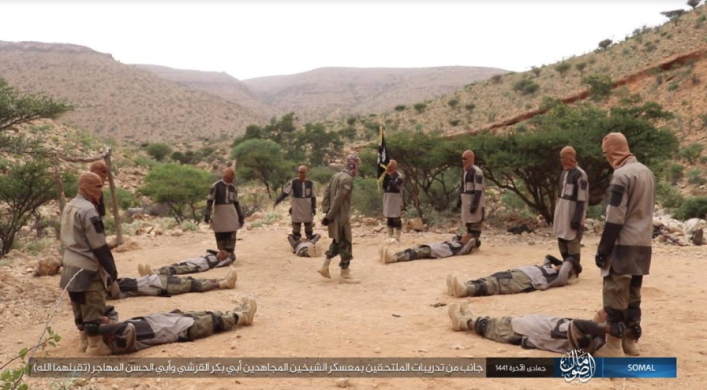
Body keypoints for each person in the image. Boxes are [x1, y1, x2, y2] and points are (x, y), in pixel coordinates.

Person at [594, 133, 655, 357]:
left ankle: (613, 345)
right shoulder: (646, 172)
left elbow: (615, 218)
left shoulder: (621, 175)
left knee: (615, 292)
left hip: (623, 245)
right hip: (643, 245)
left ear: (612, 151)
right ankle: (631, 341)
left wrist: (603, 248)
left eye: (605, 153)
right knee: (633, 295)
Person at [59, 172, 118, 356]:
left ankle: (84, 342)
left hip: (69, 266)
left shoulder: (69, 206)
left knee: (78, 305)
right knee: (93, 306)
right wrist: (111, 269)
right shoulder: (88, 210)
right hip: (87, 268)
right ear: (85, 186)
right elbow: (99, 244)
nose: (101, 191)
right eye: (98, 187)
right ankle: (95, 346)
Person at [97, 297, 257, 354]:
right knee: (212, 322)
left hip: (174, 319)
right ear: (107, 333)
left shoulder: (115, 330)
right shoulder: (119, 343)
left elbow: (111, 312)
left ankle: (236, 312)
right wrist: (100, 328)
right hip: (181, 330)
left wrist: (96, 316)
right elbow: (127, 329)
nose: (109, 320)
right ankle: (242, 317)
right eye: (106, 323)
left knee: (206, 313)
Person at [447, 304, 625, 355]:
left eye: (601, 315)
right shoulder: (594, 335)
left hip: (528, 333)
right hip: (534, 324)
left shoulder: (587, 339)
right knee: (499, 322)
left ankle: (464, 323)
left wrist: (608, 328)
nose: (597, 314)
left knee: (492, 327)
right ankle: (471, 317)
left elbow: (580, 324)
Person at [446, 255, 580, 298]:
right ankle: (463, 286)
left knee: (496, 285)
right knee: (492, 278)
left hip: (524, 281)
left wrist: (570, 262)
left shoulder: (557, 278)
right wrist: (559, 263)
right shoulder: (547, 268)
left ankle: (465, 291)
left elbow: (565, 272)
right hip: (518, 273)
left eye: (565, 266)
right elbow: (548, 257)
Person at [318, 153, 360, 284]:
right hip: (340, 216)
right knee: (346, 242)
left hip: (333, 215)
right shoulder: (347, 179)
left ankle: (325, 266)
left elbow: (326, 194)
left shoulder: (335, 176)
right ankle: (344, 273)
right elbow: (338, 199)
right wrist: (329, 215)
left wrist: (326, 212)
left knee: (338, 242)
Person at [553, 146, 589, 267]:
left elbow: (582, 199)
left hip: (572, 212)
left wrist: (577, 219)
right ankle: (566, 265)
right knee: (561, 238)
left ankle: (574, 267)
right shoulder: (564, 173)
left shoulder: (580, 174)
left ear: (570, 158)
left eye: (564, 157)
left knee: (572, 239)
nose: (562, 160)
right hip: (562, 212)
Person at [108, 267, 237, 299]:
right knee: (191, 285)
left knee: (189, 280)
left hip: (155, 282)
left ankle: (220, 280)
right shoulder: (112, 289)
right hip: (158, 286)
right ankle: (223, 284)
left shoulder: (111, 284)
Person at [204, 168, 244, 258]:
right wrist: (207, 213)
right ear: (225, 176)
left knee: (232, 233)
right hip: (219, 214)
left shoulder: (233, 188)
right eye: (230, 177)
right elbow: (210, 200)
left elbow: (236, 203)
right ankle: (222, 253)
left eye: (233, 177)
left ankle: (230, 252)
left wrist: (240, 216)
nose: (232, 179)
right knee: (220, 233)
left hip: (231, 214)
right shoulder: (216, 186)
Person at [275, 165, 317, 241]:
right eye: (299, 172)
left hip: (307, 206)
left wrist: (314, 207)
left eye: (302, 172)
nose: (300, 174)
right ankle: (296, 236)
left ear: (306, 173)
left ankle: (309, 236)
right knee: (296, 223)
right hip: (297, 206)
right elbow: (286, 192)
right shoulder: (293, 182)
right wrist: (278, 200)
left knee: (308, 223)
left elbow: (313, 196)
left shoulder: (310, 183)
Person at [379, 234, 476, 264]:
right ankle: (392, 256)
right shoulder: (455, 242)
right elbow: (454, 236)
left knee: (415, 253)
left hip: (435, 251)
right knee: (411, 250)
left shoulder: (461, 249)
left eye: (465, 237)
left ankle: (393, 259)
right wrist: (460, 237)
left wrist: (472, 241)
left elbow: (472, 242)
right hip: (432, 246)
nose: (464, 237)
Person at [137, 249, 235, 276]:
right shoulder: (210, 255)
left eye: (222, 253)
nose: (219, 253)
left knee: (176, 270)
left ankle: (155, 273)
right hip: (192, 261)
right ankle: (156, 271)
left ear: (224, 258)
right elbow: (209, 250)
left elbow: (231, 258)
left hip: (197, 267)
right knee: (176, 265)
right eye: (220, 251)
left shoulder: (218, 263)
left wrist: (229, 254)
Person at [459, 150, 485, 247]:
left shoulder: (477, 172)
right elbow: (462, 187)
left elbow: (478, 189)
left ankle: (475, 241)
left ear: (471, 159)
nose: (463, 161)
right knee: (468, 223)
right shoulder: (465, 171)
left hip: (474, 202)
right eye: (462, 158)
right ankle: (471, 242)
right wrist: (459, 200)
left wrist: (475, 204)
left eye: (465, 158)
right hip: (466, 203)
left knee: (476, 223)